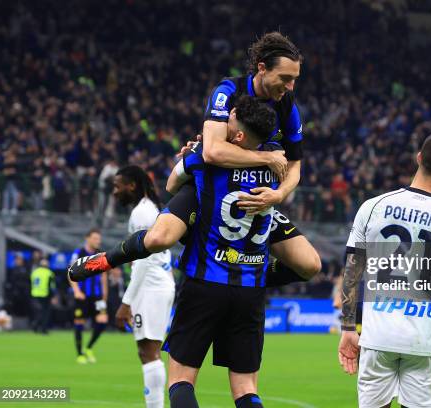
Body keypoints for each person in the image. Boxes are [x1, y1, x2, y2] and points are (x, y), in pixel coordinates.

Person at [69, 96, 278, 407]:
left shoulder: (206, 157)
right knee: (246, 387)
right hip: (250, 288)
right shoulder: (275, 167)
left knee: (180, 378)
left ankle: (106, 259)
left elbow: (171, 183)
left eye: (228, 119)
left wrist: (192, 156)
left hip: (206, 279)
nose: (219, 123)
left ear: (237, 136)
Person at [169, 31, 321, 287]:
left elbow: (295, 165)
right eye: (285, 78)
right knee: (158, 238)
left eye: (294, 79)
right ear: (262, 68)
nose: (290, 86)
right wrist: (266, 157)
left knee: (310, 265)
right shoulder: (228, 91)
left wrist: (279, 194)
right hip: (212, 195)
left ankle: (249, 274)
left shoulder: (287, 105)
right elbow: (212, 152)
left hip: (255, 203)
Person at [338, 133, 431, 408]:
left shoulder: (372, 207)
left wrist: (348, 327)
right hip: (424, 340)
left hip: (377, 337)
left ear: (419, 158)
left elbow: (352, 270)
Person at [111, 164, 175, 408]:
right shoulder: (148, 209)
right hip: (158, 284)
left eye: (118, 187)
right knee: (148, 351)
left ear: (132, 185)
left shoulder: (141, 214)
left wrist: (126, 303)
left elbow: (143, 262)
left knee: (149, 352)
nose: (115, 192)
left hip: (151, 287)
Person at [69, 228, 108, 364]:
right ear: (88, 238)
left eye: (99, 239)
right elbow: (71, 272)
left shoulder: (100, 254)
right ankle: (79, 354)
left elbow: (103, 276)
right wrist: (76, 291)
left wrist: (104, 296)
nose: (98, 241)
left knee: (103, 321)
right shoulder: (79, 253)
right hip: (82, 295)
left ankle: (89, 347)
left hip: (97, 296)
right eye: (95, 238)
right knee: (79, 322)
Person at [30, 258, 56, 334]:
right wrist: (53, 296)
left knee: (38, 312)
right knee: (45, 313)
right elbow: (52, 286)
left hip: (35, 294)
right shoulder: (49, 273)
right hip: (45, 295)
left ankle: (35, 325)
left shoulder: (34, 272)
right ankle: (43, 329)